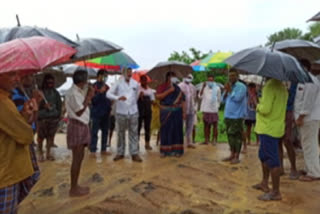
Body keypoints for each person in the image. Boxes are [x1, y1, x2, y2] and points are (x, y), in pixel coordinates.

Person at [0, 71, 36, 213]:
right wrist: (30, 116)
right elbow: (25, 136)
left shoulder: (6, 100)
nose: (17, 79)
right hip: (5, 174)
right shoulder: (3, 103)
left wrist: (24, 115)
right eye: (11, 74)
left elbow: (9, 129)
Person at [253, 78, 288, 201]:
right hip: (276, 127)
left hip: (267, 128)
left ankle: (276, 192)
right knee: (264, 156)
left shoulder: (270, 86)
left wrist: (257, 105)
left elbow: (265, 109)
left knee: (271, 160)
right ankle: (264, 182)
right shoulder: (282, 86)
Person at [65, 70, 95, 197]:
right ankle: (73, 188)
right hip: (77, 125)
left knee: (80, 157)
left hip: (81, 125)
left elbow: (85, 95)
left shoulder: (78, 90)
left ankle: (75, 185)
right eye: (86, 80)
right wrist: (88, 97)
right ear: (82, 81)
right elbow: (78, 111)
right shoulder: (73, 93)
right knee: (77, 158)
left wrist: (89, 92)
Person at [107, 68, 143, 162]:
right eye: (127, 71)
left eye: (130, 71)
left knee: (134, 133)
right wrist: (118, 97)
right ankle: (120, 152)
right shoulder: (118, 83)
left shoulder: (135, 83)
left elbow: (137, 96)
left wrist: (132, 104)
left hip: (133, 111)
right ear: (123, 72)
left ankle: (134, 153)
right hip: (121, 112)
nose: (129, 73)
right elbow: (108, 94)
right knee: (120, 133)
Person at [294, 59, 320, 182]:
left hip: (308, 118)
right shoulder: (305, 80)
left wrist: (300, 117)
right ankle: (309, 167)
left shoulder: (310, 81)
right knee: (307, 144)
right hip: (307, 118)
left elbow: (307, 102)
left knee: (310, 145)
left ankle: (314, 173)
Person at [156, 72, 185, 158]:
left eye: (175, 76)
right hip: (166, 112)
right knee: (165, 131)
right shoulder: (162, 86)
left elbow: (183, 100)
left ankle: (177, 150)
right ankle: (165, 151)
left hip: (177, 112)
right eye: (172, 76)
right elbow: (158, 97)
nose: (174, 78)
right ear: (168, 77)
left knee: (177, 131)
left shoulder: (178, 88)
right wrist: (169, 91)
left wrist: (184, 112)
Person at [222, 70, 247, 164]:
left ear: (237, 76)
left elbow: (238, 98)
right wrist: (225, 92)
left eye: (233, 75)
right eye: (229, 76)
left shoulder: (242, 87)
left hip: (237, 116)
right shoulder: (229, 86)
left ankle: (237, 155)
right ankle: (232, 154)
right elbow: (222, 101)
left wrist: (230, 91)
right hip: (228, 115)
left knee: (236, 136)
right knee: (229, 135)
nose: (231, 77)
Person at [37, 74, 62, 161]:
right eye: (48, 82)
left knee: (50, 137)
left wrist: (59, 115)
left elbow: (59, 105)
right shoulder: (39, 92)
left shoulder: (56, 93)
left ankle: (48, 153)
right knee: (40, 137)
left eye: (52, 82)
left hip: (53, 118)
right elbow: (35, 105)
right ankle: (40, 153)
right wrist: (43, 105)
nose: (50, 84)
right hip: (42, 118)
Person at [279, 83, 299, 179]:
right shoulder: (277, 78)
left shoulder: (294, 81)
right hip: (278, 110)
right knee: (278, 140)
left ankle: (293, 168)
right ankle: (280, 167)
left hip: (288, 110)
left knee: (287, 141)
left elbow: (293, 98)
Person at [90, 70, 112, 156]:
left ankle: (103, 149)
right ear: (99, 76)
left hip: (106, 113)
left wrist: (110, 104)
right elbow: (93, 100)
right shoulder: (93, 86)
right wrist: (100, 92)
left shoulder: (107, 87)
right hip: (96, 113)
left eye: (106, 76)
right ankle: (93, 149)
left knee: (105, 131)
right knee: (94, 132)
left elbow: (109, 99)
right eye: (104, 76)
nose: (105, 78)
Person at [199, 74, 221, 145]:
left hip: (214, 109)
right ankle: (206, 140)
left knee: (215, 125)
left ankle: (214, 139)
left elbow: (219, 99)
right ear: (207, 81)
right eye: (209, 80)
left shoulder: (217, 88)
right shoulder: (204, 88)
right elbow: (199, 96)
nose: (210, 81)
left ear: (214, 80)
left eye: (211, 80)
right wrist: (203, 87)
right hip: (206, 109)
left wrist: (217, 106)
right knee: (206, 126)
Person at [179, 74, 197, 148]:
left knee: (190, 126)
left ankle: (189, 142)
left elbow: (194, 97)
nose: (188, 78)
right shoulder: (180, 86)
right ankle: (179, 142)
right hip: (182, 109)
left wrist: (194, 108)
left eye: (190, 77)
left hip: (191, 109)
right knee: (180, 126)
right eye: (187, 77)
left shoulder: (193, 87)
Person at [138, 75, 155, 150]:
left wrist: (153, 102)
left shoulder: (150, 90)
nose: (144, 82)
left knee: (147, 127)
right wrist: (139, 96)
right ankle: (136, 144)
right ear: (140, 81)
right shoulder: (138, 89)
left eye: (145, 80)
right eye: (143, 80)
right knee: (138, 127)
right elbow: (134, 99)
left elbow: (152, 100)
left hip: (148, 110)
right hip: (139, 109)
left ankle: (147, 144)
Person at [243, 83, 258, 153]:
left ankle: (258, 141)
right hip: (248, 114)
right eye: (250, 88)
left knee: (256, 128)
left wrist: (254, 100)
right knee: (248, 128)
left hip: (255, 114)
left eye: (253, 88)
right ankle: (248, 141)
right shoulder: (246, 95)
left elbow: (258, 104)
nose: (252, 90)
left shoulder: (257, 95)